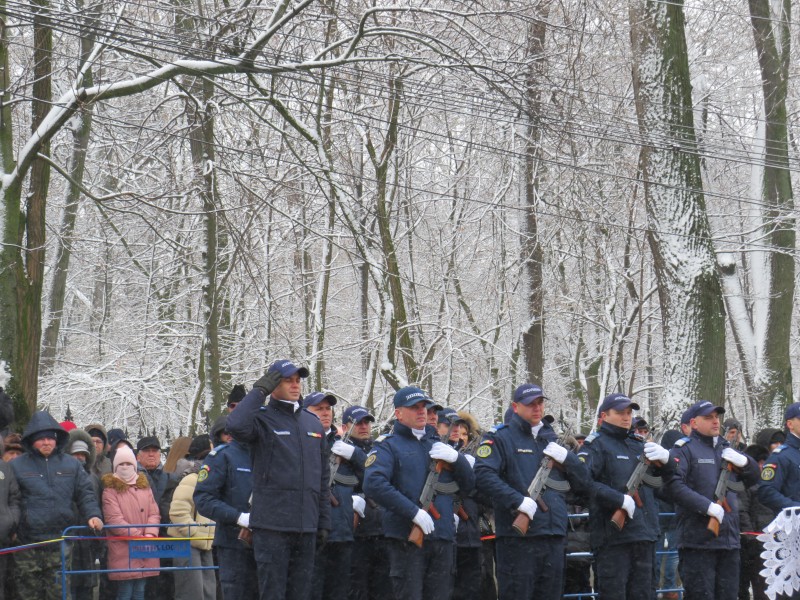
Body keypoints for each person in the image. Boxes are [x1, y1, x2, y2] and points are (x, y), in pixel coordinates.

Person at [226, 359, 330, 600]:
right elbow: (235, 425)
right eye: (287, 380)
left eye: (298, 381)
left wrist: (323, 521)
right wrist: (259, 391)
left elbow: (322, 477)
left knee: (301, 593)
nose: (295, 386)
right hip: (272, 527)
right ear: (274, 385)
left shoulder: (312, 422)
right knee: (272, 593)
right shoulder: (261, 419)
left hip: (306, 526)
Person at [474, 383, 589, 600]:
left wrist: (570, 460)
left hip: (553, 536)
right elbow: (483, 476)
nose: (537, 408)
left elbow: (583, 485)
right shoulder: (501, 438)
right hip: (519, 539)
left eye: (540, 403)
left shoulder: (552, 440)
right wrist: (517, 501)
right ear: (515, 407)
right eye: (530, 404)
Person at [363, 386, 475, 600]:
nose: (422, 411)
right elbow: (374, 483)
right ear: (399, 413)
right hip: (407, 539)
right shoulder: (388, 446)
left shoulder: (438, 446)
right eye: (414, 407)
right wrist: (413, 512)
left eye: (424, 406)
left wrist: (457, 460)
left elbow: (469, 487)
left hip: (442, 537)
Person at [577, 393, 674, 599]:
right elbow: (582, 483)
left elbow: (661, 486)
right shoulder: (596, 445)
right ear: (603, 415)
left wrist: (668, 463)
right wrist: (617, 499)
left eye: (629, 412)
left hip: (644, 536)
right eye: (620, 412)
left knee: (644, 594)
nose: (626, 417)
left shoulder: (639, 445)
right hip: (613, 539)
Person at [663, 400, 760, 600]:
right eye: (708, 418)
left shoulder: (726, 448)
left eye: (717, 417)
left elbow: (753, 480)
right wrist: (706, 507)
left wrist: (746, 463)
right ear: (694, 423)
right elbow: (674, 486)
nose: (715, 421)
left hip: (729, 541)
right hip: (697, 542)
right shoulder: (683, 449)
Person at [12, 411, 103, 600]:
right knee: (27, 594)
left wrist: (93, 515)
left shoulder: (72, 465)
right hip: (27, 544)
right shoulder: (17, 466)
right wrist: (13, 527)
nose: (46, 442)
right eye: (40, 438)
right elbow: (11, 499)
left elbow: (85, 494)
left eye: (50, 438)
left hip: (60, 542)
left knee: (59, 593)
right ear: (31, 440)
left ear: (57, 439)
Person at [305, 391, 366, 600]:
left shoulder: (345, 445)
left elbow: (372, 477)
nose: (325, 413)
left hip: (341, 531)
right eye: (318, 409)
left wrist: (355, 455)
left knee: (339, 592)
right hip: (311, 531)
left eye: (327, 409)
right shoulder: (301, 441)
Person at [194, 415, 258, 600]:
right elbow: (203, 499)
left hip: (268, 543)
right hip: (234, 543)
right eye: (224, 434)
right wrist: (237, 517)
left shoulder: (266, 455)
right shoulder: (222, 456)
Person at [347, 406, 394, 600]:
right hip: (357, 534)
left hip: (381, 530)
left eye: (367, 422)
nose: (364, 426)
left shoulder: (378, 448)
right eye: (358, 422)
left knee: (384, 589)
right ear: (346, 426)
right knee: (358, 589)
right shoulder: (339, 451)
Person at [102, 444, 161, 600]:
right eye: (121, 464)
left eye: (128, 463)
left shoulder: (145, 487)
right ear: (115, 466)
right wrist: (138, 536)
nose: (125, 467)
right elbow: (114, 520)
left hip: (145, 547)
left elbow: (154, 513)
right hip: (124, 550)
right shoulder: (110, 490)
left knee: (140, 590)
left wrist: (150, 534)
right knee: (125, 591)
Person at [168, 435, 215, 600]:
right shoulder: (192, 479)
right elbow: (178, 512)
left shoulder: (211, 481)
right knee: (192, 594)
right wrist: (195, 533)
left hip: (204, 544)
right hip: (188, 544)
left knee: (208, 593)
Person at [68, 429, 103, 600]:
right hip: (71, 537)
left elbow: (97, 504)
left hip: (88, 538)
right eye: (76, 454)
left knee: (87, 588)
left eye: (83, 454)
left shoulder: (94, 478)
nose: (80, 457)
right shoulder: (64, 475)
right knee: (70, 587)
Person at [0, 435, 20, 600]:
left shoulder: (6, 471)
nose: (14, 458)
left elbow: (14, 500)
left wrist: (12, 522)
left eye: (18, 454)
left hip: (6, 538)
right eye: (11, 452)